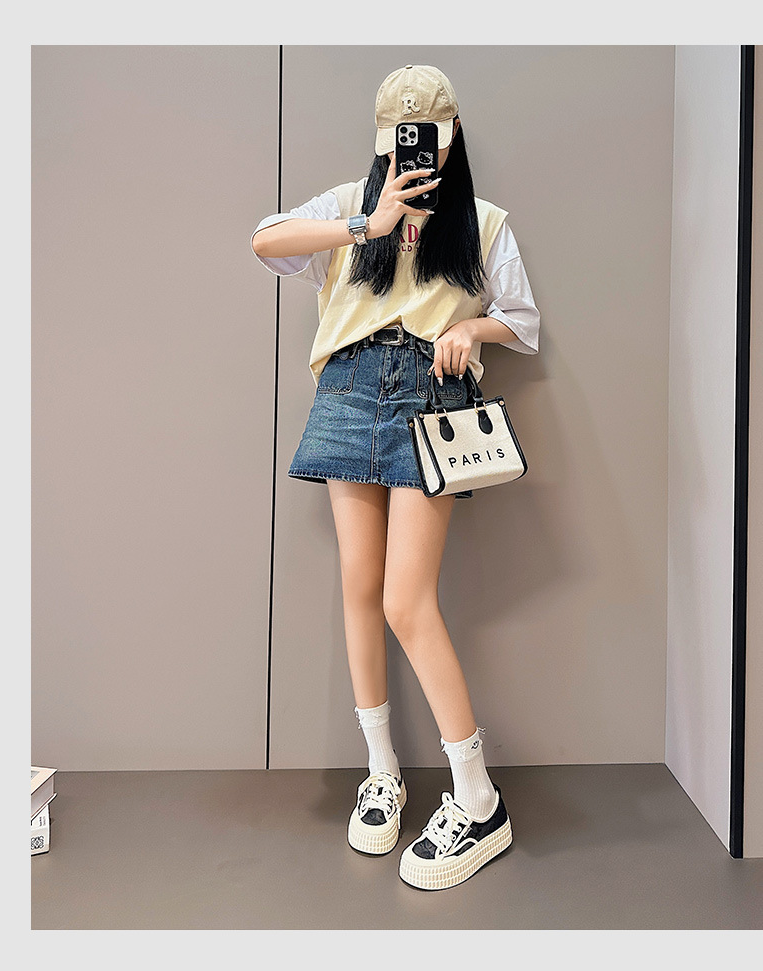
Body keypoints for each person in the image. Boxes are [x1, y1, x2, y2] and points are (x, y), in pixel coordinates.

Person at [250, 64, 540, 891]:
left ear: (453, 134)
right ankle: (382, 773)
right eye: (400, 140)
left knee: (405, 600)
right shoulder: (353, 203)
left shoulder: (482, 221)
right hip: (346, 393)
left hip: (429, 401)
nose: (414, 153)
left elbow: (524, 322)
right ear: (381, 141)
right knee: (359, 588)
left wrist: (473, 329)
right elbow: (264, 240)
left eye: (429, 138)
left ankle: (478, 797)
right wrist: (365, 224)